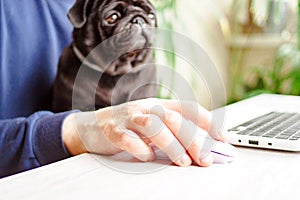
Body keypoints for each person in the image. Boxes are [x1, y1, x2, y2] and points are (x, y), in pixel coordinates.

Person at [0, 0, 226, 178]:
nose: (138, 25)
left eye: (146, 16)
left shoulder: (145, 65)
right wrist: (74, 132)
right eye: (113, 17)